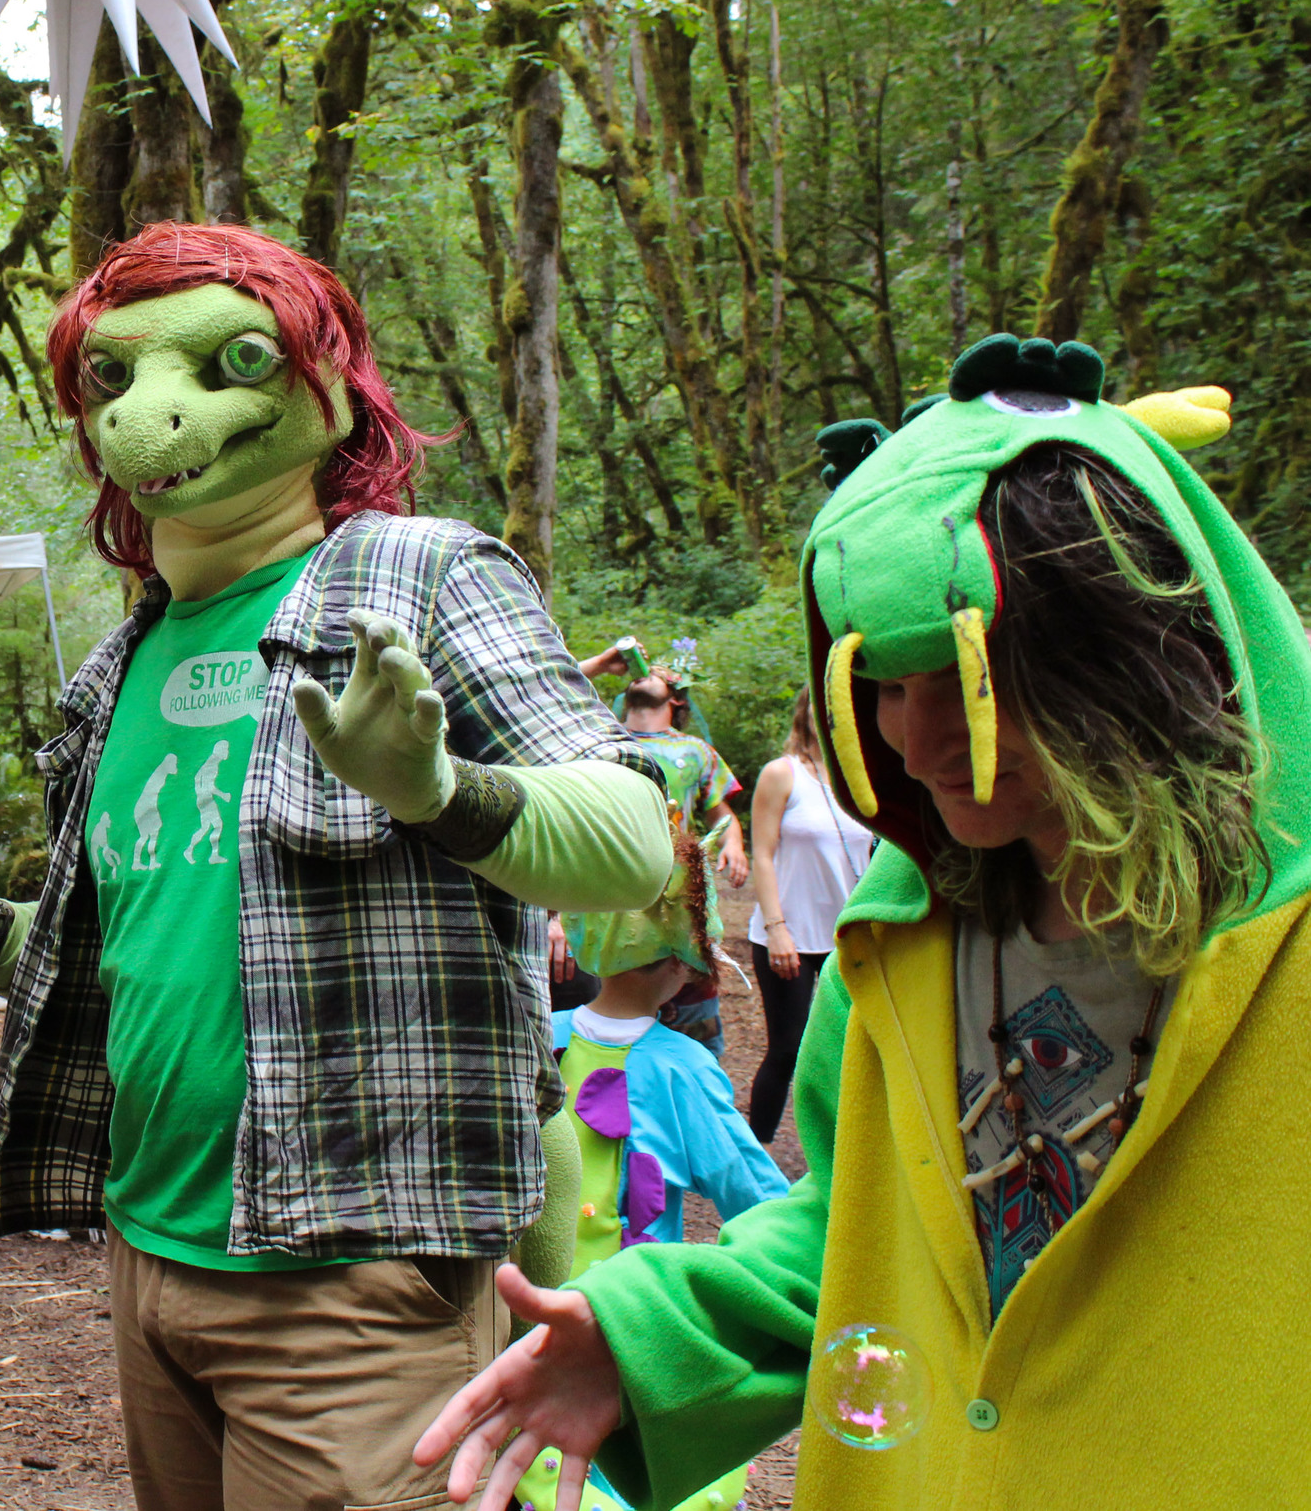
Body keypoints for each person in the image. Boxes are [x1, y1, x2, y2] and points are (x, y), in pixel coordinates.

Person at [0, 223, 673, 1510]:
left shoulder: (422, 574)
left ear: (328, 389)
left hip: (356, 1282)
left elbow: (630, 840)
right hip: (149, 1259)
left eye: (230, 361)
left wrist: (440, 791)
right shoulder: (125, 660)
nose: (149, 413)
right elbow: (127, 946)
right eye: (110, 379)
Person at [414, 337, 1311, 1507]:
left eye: (972, 680)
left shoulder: (1278, 958)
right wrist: (641, 1337)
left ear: (1130, 656)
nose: (913, 740)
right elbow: (850, 1231)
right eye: (879, 684)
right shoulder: (899, 952)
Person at [509, 848, 788, 1511]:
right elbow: (760, 1197)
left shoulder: (536, 1035)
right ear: (678, 963)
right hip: (628, 1338)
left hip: (525, 1336)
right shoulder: (682, 1068)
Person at [554, 668, 747, 1058]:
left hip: (682, 916)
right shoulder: (593, 738)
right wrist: (554, 914)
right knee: (602, 1040)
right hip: (605, 919)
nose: (649, 672)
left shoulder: (697, 751)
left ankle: (690, 1098)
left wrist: (736, 845)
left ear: (677, 698)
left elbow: (722, 816)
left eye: (662, 673)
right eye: (646, 670)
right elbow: (562, 827)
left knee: (694, 1043)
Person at [742, 685, 871, 1142]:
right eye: (821, 699)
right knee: (787, 1050)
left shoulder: (864, 776)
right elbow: (761, 854)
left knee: (852, 1049)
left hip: (849, 937)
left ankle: (846, 1154)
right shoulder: (783, 774)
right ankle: (755, 1153)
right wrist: (777, 929)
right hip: (789, 934)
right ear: (805, 711)